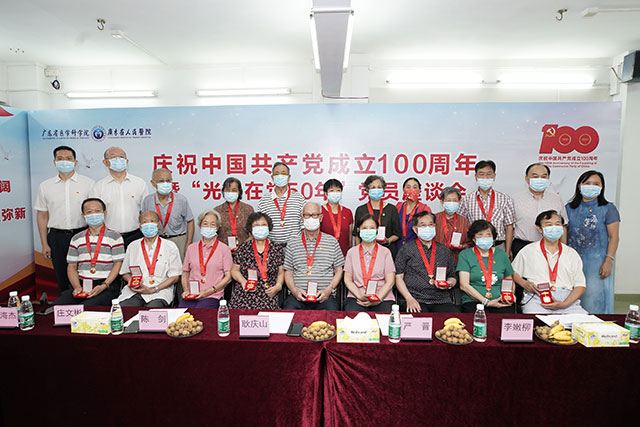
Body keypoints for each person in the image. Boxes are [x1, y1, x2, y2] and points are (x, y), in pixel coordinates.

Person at [34, 145, 94, 294]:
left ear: (75, 162)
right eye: (60, 159)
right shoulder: (45, 186)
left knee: (85, 274)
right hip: (57, 237)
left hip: (82, 235)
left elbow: (95, 210)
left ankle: (86, 303)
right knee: (61, 274)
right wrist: (44, 243)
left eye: (68, 158)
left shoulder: (88, 183)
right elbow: (42, 215)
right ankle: (66, 302)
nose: (64, 161)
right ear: (54, 162)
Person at [565, 171, 620, 314]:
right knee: (571, 299)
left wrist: (608, 261)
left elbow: (614, 237)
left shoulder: (608, 208)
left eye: (596, 184)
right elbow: (564, 235)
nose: (591, 186)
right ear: (579, 186)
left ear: (602, 187)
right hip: (572, 261)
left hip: (597, 263)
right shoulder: (569, 208)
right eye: (587, 183)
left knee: (594, 300)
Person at [512, 210, 587, 314]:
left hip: (567, 299)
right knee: (535, 320)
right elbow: (512, 272)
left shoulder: (571, 253)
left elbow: (580, 286)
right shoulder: (528, 250)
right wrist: (524, 283)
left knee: (582, 322)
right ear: (539, 229)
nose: (554, 228)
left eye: (557, 224)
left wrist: (565, 304)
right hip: (537, 299)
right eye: (549, 225)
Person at [53, 198, 123, 306]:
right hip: (81, 284)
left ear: (105, 213)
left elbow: (118, 264)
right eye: (89, 212)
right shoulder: (76, 238)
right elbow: (71, 266)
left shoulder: (115, 237)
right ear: (83, 216)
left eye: (97, 211)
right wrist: (77, 286)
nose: (93, 214)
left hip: (106, 285)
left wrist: (104, 285)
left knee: (87, 307)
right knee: (58, 307)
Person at [283, 202, 344, 310]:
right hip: (298, 296)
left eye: (314, 215)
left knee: (332, 313)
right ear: (302, 218)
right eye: (307, 215)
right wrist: (294, 291)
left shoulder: (332, 242)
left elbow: (339, 270)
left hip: (324, 296)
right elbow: (288, 272)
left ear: (321, 217)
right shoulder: (292, 243)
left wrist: (329, 290)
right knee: (289, 311)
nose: (311, 218)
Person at [395, 211, 459, 313]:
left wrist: (449, 283)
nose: (427, 228)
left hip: (441, 300)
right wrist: (409, 298)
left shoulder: (444, 250)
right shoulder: (406, 249)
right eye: (423, 225)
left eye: (430, 225)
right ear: (415, 229)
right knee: (420, 320)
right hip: (415, 299)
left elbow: (452, 276)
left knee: (455, 318)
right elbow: (398, 277)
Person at [118, 211, 182, 307]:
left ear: (158, 225)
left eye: (152, 221)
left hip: (160, 291)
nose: (149, 224)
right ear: (140, 227)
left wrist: (154, 289)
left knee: (152, 310)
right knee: (125, 308)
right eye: (145, 222)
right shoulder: (133, 246)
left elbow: (175, 277)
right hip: (136, 291)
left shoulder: (170, 246)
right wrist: (132, 281)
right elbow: (125, 273)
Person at [90, 146, 149, 248]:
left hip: (135, 235)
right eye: (113, 157)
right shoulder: (98, 186)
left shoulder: (139, 183)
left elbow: (146, 211)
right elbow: (93, 213)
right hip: (108, 237)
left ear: (127, 161)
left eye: (121, 157)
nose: (118, 160)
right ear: (105, 162)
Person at [459, 160, 515, 258]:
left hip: (498, 246)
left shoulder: (505, 199)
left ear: (494, 176)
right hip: (474, 247)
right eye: (481, 174)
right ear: (476, 176)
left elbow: (509, 227)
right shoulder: (467, 199)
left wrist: (507, 250)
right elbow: (461, 224)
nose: (485, 178)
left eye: (489, 174)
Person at [457, 220, 515, 313]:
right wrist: (486, 302)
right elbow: (464, 285)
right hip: (474, 301)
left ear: (493, 238)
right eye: (480, 235)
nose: (485, 237)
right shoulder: (465, 255)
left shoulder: (502, 255)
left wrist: (509, 296)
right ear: (473, 238)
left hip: (500, 300)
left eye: (488, 235)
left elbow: (509, 279)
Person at [512, 163, 568, 258]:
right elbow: (509, 227)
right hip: (522, 246)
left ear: (548, 178)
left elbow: (564, 225)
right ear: (526, 179)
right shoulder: (515, 199)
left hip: (551, 246)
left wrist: (564, 249)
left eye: (543, 176)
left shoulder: (556, 199)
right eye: (535, 176)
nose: (539, 179)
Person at [230, 212, 285, 310]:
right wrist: (243, 281)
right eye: (256, 225)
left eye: (263, 225)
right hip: (245, 291)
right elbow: (234, 270)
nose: (260, 228)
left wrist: (278, 286)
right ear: (251, 229)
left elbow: (281, 272)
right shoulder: (244, 247)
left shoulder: (277, 248)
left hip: (268, 292)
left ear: (269, 227)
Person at [180, 210, 232, 309]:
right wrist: (186, 290)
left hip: (213, 295)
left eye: (212, 224)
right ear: (200, 226)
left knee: (201, 312)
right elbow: (185, 272)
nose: (208, 227)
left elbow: (228, 277)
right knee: (182, 315)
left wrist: (210, 290)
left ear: (217, 227)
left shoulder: (224, 249)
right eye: (205, 223)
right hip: (191, 295)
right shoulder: (191, 248)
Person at [343, 214, 396, 312]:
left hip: (382, 297)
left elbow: (390, 281)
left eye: (371, 228)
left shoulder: (385, 252)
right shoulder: (351, 252)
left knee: (385, 317)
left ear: (377, 230)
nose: (368, 231)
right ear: (358, 230)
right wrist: (360, 296)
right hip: (357, 296)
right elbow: (347, 279)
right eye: (364, 228)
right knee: (353, 316)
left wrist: (378, 298)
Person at [141, 168, 194, 260]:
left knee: (178, 267)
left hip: (178, 240)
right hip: (155, 240)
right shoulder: (148, 200)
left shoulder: (181, 199)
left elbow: (190, 221)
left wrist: (188, 244)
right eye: (161, 181)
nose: (165, 184)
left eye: (168, 180)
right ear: (153, 183)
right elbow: (143, 222)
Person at [257, 162, 305, 247]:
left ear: (289, 177)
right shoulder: (263, 201)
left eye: (283, 173)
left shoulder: (299, 198)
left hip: (295, 247)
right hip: (272, 249)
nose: (280, 176)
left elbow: (304, 226)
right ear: (272, 177)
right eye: (276, 174)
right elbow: (261, 226)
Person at [353, 175, 402, 258]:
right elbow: (357, 235)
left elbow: (397, 234)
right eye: (373, 187)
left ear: (383, 189)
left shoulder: (392, 209)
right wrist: (357, 253)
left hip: (387, 251)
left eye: (379, 187)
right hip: (365, 252)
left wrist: (388, 240)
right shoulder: (361, 210)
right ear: (367, 190)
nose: (376, 190)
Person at [214, 177, 255, 251]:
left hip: (245, 251)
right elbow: (212, 234)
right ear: (223, 191)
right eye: (227, 190)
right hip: (222, 251)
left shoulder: (248, 209)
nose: (230, 192)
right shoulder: (217, 210)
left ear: (239, 192)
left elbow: (254, 233)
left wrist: (243, 247)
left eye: (234, 190)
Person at [434, 186, 471, 264]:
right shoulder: (434, 219)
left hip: (457, 261)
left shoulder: (464, 221)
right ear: (442, 202)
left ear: (459, 202)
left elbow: (470, 243)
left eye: (454, 200)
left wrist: (462, 246)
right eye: (448, 200)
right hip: (436, 260)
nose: (451, 203)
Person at [320, 178, 353, 257]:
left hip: (344, 255)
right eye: (331, 191)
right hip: (324, 255)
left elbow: (350, 237)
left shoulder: (347, 212)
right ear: (326, 194)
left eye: (338, 190)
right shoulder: (320, 211)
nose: (335, 193)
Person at [395, 177, 431, 250]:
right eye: (408, 187)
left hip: (417, 249)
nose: (411, 190)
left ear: (419, 191)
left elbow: (427, 232)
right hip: (397, 248)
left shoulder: (424, 209)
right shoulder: (398, 207)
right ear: (403, 190)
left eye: (414, 187)